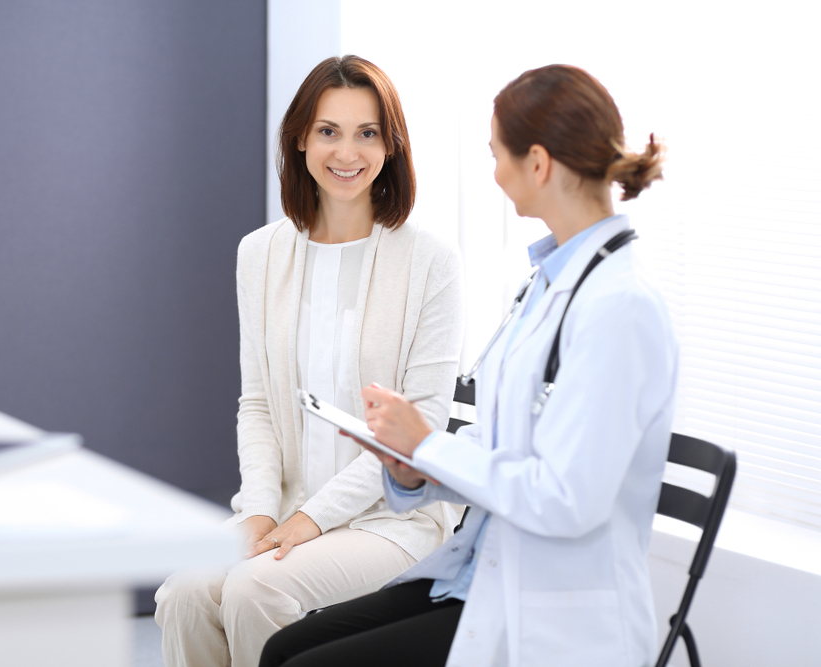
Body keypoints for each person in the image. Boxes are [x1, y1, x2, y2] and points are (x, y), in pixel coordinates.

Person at [259, 64, 678, 667]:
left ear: (536, 164)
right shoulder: (548, 284)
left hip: (551, 610)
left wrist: (428, 447)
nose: (496, 173)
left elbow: (565, 500)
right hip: (485, 571)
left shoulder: (621, 308)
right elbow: (497, 447)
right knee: (284, 649)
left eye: (496, 155)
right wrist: (411, 471)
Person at [154, 55, 465, 667]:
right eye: (328, 131)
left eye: (366, 133)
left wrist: (310, 522)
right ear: (300, 139)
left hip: (391, 518)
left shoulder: (430, 261)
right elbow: (259, 403)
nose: (346, 152)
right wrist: (265, 510)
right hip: (284, 505)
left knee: (253, 588)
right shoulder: (260, 253)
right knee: (187, 592)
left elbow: (419, 428)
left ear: (390, 145)